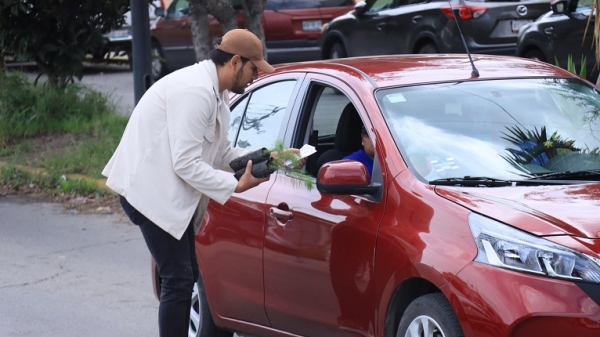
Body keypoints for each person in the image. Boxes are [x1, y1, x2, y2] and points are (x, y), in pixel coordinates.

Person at [102, 29, 299, 337]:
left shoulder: (215, 93)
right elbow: (186, 163)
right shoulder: (195, 92)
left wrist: (273, 158)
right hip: (147, 193)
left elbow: (221, 153)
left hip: (163, 191)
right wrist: (235, 186)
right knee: (179, 278)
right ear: (235, 62)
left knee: (184, 275)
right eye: (253, 69)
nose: (254, 77)